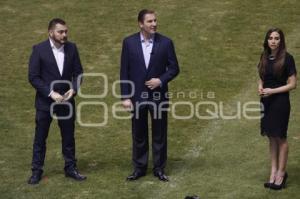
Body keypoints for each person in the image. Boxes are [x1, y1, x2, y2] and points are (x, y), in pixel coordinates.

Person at [120, 9, 179, 181]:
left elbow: (174, 68)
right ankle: (139, 168)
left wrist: (160, 80)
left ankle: (159, 168)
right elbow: (124, 71)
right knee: (138, 132)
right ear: (140, 24)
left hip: (158, 96)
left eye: (155, 20)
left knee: (159, 133)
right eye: (150, 21)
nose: (154, 24)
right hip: (137, 96)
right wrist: (125, 96)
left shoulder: (166, 43)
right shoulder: (129, 43)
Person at [28, 18, 86, 184]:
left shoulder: (72, 48)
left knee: (68, 137)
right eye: (60, 32)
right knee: (40, 137)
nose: (64, 35)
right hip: (45, 103)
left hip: (67, 102)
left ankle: (70, 168)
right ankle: (36, 171)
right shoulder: (39, 50)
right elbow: (33, 77)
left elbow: (79, 73)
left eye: (66, 31)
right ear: (51, 32)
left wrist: (73, 89)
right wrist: (50, 93)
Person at [258, 28, 297, 190]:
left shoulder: (287, 59)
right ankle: (273, 171)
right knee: (271, 136)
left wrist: (272, 91)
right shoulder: (264, 57)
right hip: (265, 102)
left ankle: (281, 173)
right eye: (271, 38)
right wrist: (260, 87)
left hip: (280, 102)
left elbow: (293, 84)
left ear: (281, 41)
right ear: (266, 41)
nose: (273, 41)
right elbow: (261, 77)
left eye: (277, 38)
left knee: (280, 137)